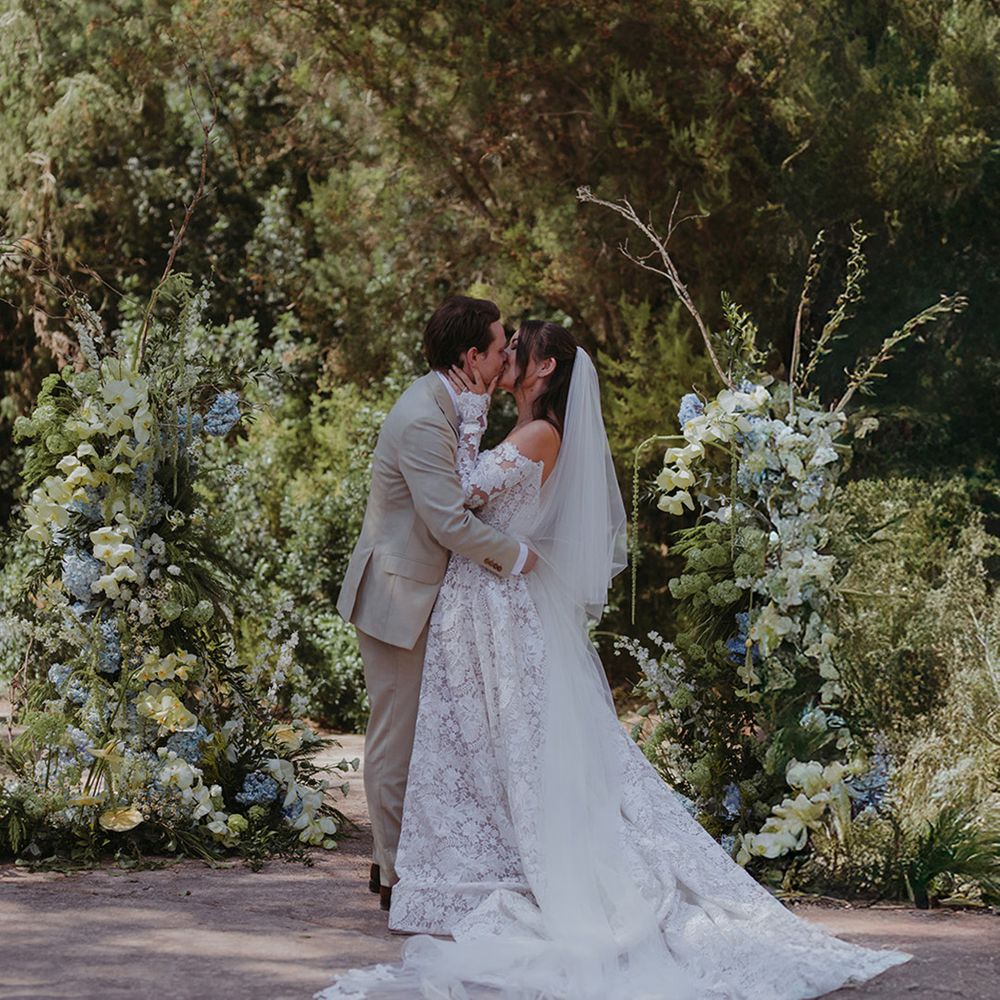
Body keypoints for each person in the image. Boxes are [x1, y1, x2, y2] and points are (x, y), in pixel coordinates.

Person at [323, 321, 911, 999]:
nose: (507, 354)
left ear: (542, 367)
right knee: (482, 747)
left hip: (499, 602)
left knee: (519, 745)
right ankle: (433, 872)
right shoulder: (518, 428)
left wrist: (472, 421)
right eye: (500, 344)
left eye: (517, 347)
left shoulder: (538, 433)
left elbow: (462, 495)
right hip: (480, 607)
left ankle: (472, 873)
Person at [335, 295, 535, 910]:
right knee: (396, 737)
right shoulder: (425, 416)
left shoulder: (459, 403)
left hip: (430, 594)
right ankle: (392, 875)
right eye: (501, 347)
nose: (508, 357)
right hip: (399, 596)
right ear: (471, 356)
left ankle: (398, 863)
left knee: (421, 736)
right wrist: (521, 559)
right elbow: (448, 521)